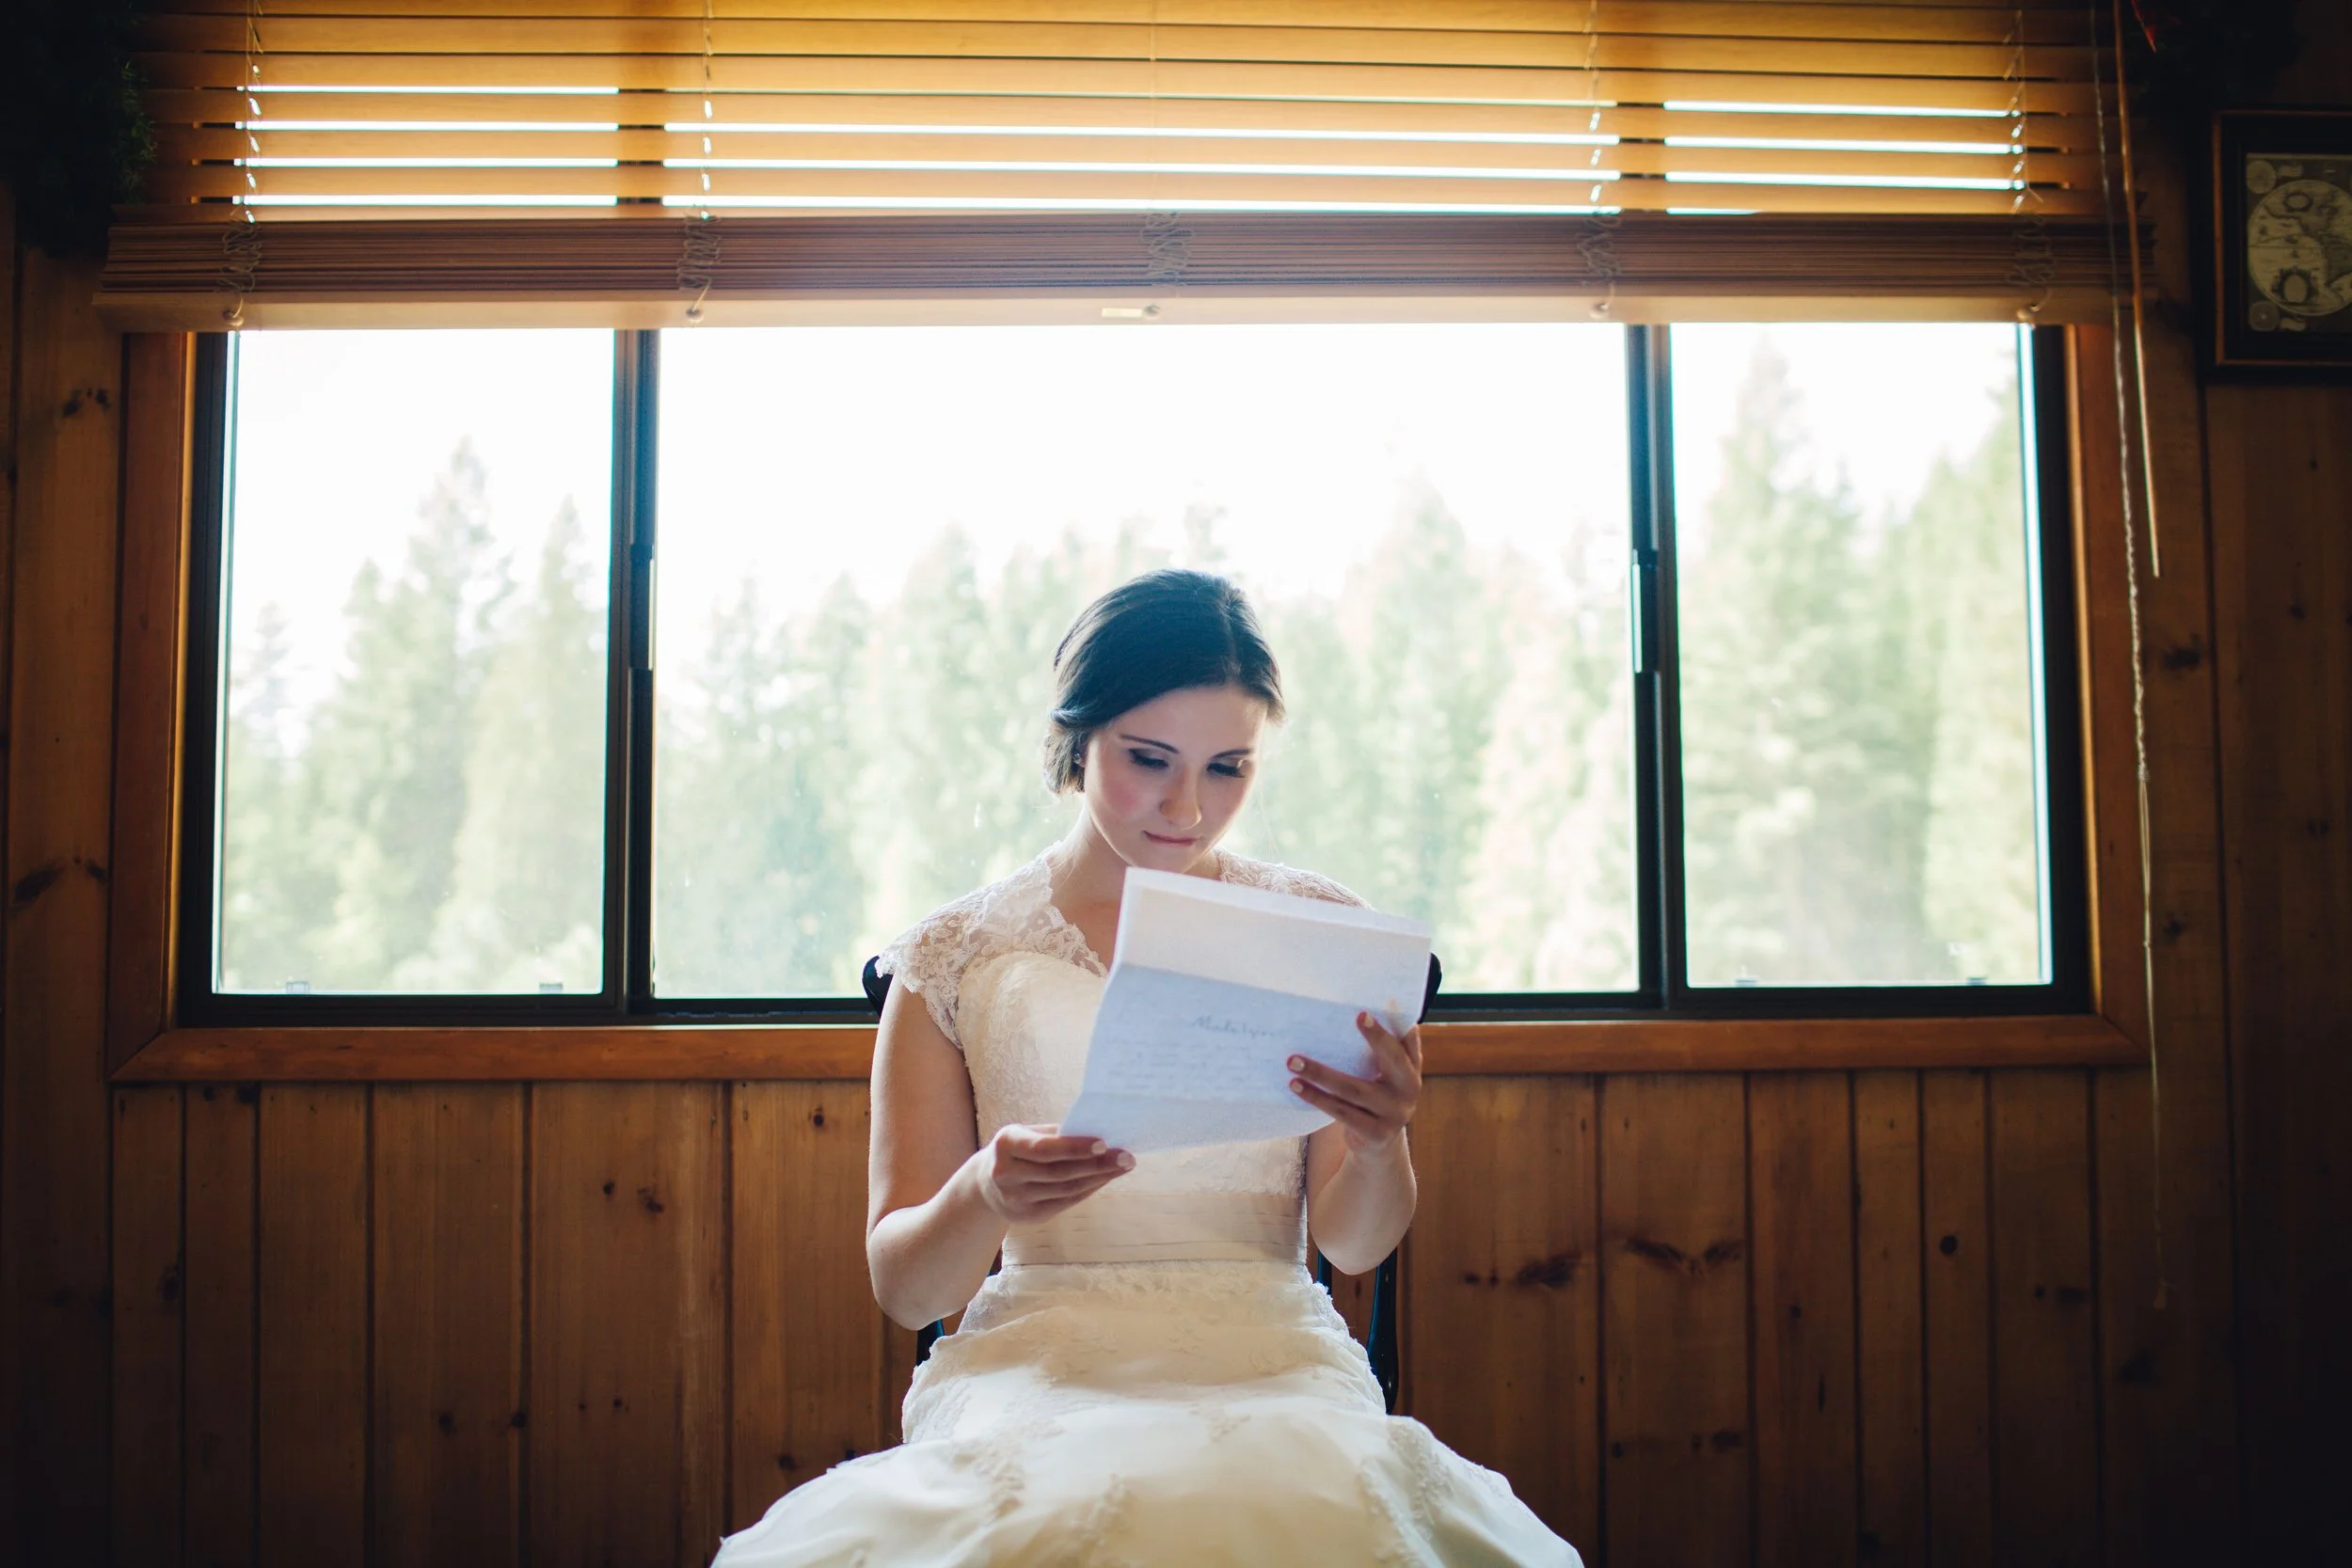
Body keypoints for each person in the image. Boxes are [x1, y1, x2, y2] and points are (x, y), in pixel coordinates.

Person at [715, 569, 1581, 1566]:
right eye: (1149, 758)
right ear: (1076, 739)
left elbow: (1352, 1245)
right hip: (1040, 1353)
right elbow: (907, 1290)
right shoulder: (952, 954)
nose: (1186, 805)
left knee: (1313, 1502)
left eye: (1228, 766)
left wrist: (1382, 1141)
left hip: (1273, 1354)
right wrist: (985, 1187)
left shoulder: (1323, 934)